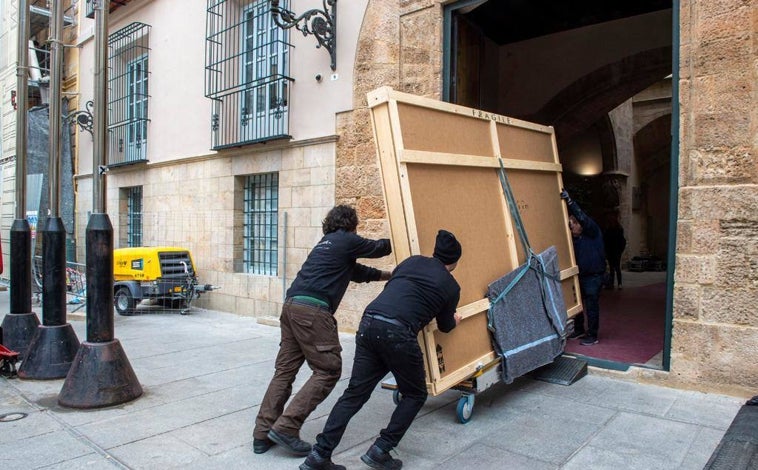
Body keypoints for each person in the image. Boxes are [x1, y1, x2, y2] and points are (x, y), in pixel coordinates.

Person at [299, 230, 463, 470]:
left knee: (354, 393)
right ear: (455, 261)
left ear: (435, 253)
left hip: (369, 322)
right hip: (398, 334)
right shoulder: (451, 286)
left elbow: (401, 288)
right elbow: (446, 325)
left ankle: (318, 455)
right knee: (415, 394)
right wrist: (456, 319)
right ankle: (381, 449)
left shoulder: (411, 262)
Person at [253, 205, 392, 456]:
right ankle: (287, 426)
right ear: (351, 223)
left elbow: (360, 273)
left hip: (291, 307)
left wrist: (391, 275)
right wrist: (399, 235)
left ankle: (262, 434)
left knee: (285, 371)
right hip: (313, 312)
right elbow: (379, 248)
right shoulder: (346, 239)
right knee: (328, 369)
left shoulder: (326, 245)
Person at [561, 190, 605, 346]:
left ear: (580, 225)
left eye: (573, 227)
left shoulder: (592, 231)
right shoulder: (576, 239)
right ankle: (579, 329)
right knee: (578, 304)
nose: (571, 230)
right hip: (580, 276)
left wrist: (570, 202)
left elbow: (583, 218)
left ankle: (592, 335)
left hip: (593, 276)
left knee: (592, 306)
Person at [603, 211, 627, 290]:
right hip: (612, 251)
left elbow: (622, 241)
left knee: (616, 267)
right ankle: (613, 283)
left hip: (615, 251)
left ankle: (617, 283)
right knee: (613, 268)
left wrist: (620, 250)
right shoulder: (610, 229)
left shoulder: (618, 229)